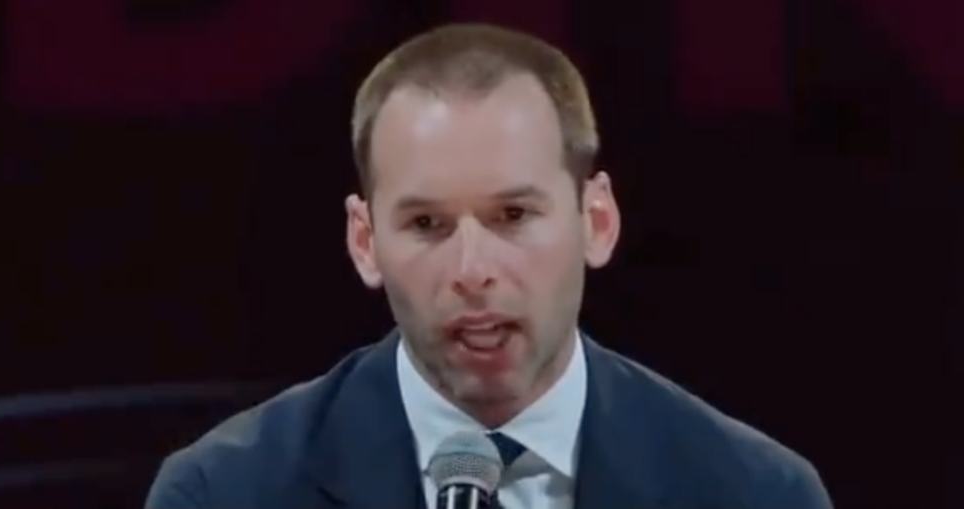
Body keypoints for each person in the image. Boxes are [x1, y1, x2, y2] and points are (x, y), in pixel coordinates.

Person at [145, 23, 832, 509]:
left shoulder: (755, 493)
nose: (472, 270)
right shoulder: (222, 494)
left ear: (596, 220)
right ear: (364, 240)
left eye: (513, 215)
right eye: (427, 224)